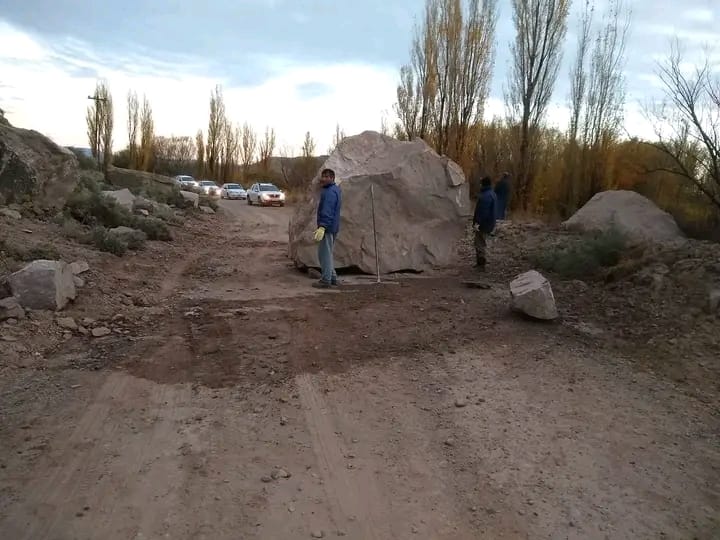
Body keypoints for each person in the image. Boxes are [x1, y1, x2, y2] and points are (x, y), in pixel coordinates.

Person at [312, 168, 342, 288]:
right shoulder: (335, 190)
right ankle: (333, 277)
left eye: (327, 177)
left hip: (327, 228)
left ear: (332, 178)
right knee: (328, 253)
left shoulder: (329, 192)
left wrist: (322, 226)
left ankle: (326, 280)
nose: (323, 179)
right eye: (323, 176)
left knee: (324, 254)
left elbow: (327, 210)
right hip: (333, 226)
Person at [473, 176, 497, 269]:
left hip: (483, 223)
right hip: (490, 222)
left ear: (483, 184)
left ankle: (481, 263)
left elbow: (482, 211)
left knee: (479, 242)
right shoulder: (492, 194)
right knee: (482, 241)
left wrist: (477, 223)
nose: (479, 185)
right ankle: (481, 261)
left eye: (480, 183)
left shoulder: (485, 196)